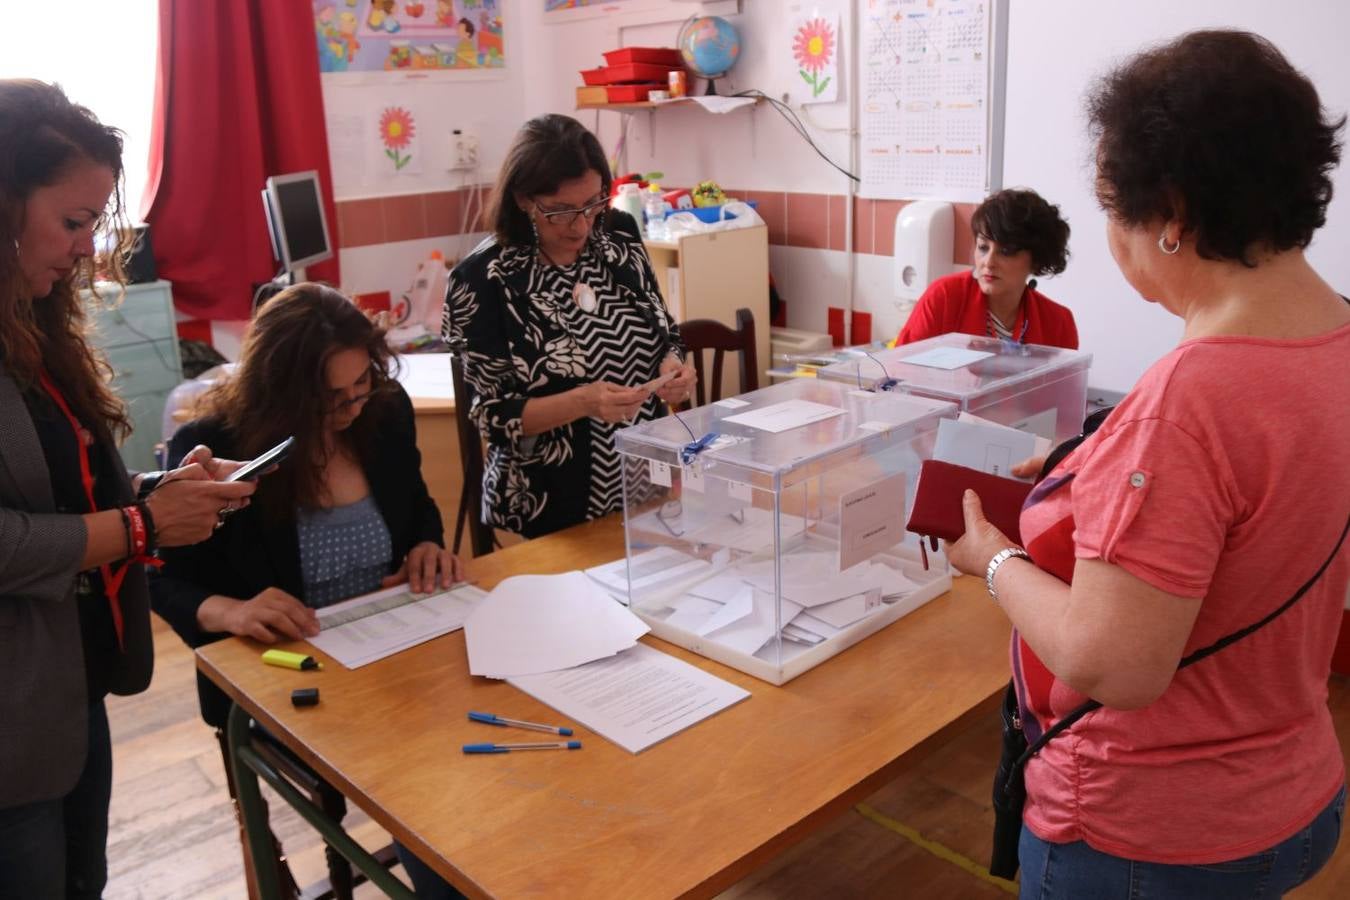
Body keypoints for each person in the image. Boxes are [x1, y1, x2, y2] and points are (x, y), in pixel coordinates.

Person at [946, 30, 1349, 898]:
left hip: (1150, 834)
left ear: (1169, 215)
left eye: (1111, 207)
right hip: (1297, 790)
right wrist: (1085, 461)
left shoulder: (1188, 398)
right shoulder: (1336, 334)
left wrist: (995, 560)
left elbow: (1111, 666)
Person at [0, 79, 256, 898]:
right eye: (73, 222)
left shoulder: (34, 325)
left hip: (69, 689)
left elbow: (55, 495)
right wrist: (143, 526)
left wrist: (160, 491)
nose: (86, 249)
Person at [151, 283, 465, 898]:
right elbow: (159, 579)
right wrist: (234, 612)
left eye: (361, 384)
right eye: (330, 398)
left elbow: (417, 505)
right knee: (426, 788)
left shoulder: (384, 410)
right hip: (290, 672)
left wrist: (426, 544)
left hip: (394, 649)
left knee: (472, 752)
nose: (350, 408)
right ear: (283, 393)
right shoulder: (218, 446)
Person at [443, 113, 695, 538]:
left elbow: (665, 331)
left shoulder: (618, 235)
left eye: (593, 203)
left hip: (645, 488)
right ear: (523, 198)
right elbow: (492, 417)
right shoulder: (483, 279)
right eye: (560, 211)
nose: (581, 225)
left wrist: (675, 366)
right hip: (547, 508)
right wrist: (582, 402)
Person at [895, 188, 1078, 348]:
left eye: (1006, 251)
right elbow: (898, 371)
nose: (988, 262)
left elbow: (1066, 379)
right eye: (983, 247)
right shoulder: (943, 297)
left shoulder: (1059, 323)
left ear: (1036, 259)